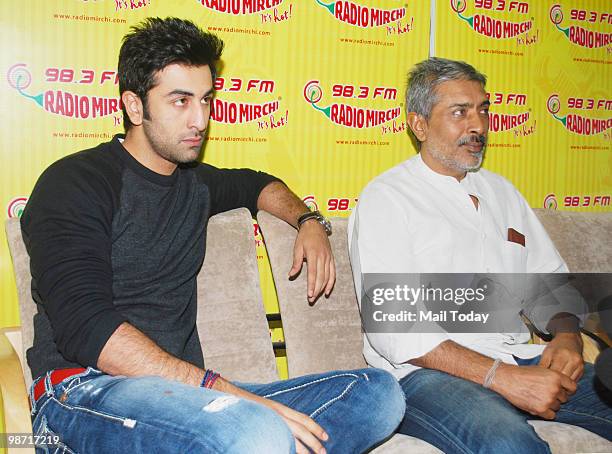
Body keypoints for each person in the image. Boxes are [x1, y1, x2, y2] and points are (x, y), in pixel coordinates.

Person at [21, 17, 405, 453]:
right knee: (253, 431)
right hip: (84, 394)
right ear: (133, 106)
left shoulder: (197, 184)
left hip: (187, 400)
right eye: (180, 101)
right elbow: (87, 328)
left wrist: (308, 221)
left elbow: (259, 183)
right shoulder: (75, 182)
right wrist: (228, 393)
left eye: (205, 100)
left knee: (378, 395)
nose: (199, 120)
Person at [348, 57, 612, 453]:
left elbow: (547, 279)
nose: (478, 126)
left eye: (483, 110)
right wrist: (501, 378)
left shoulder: (502, 192)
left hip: (519, 357)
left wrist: (567, 336)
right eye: (460, 112)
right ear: (418, 124)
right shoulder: (386, 199)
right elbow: (396, 329)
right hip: (426, 376)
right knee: (509, 445)